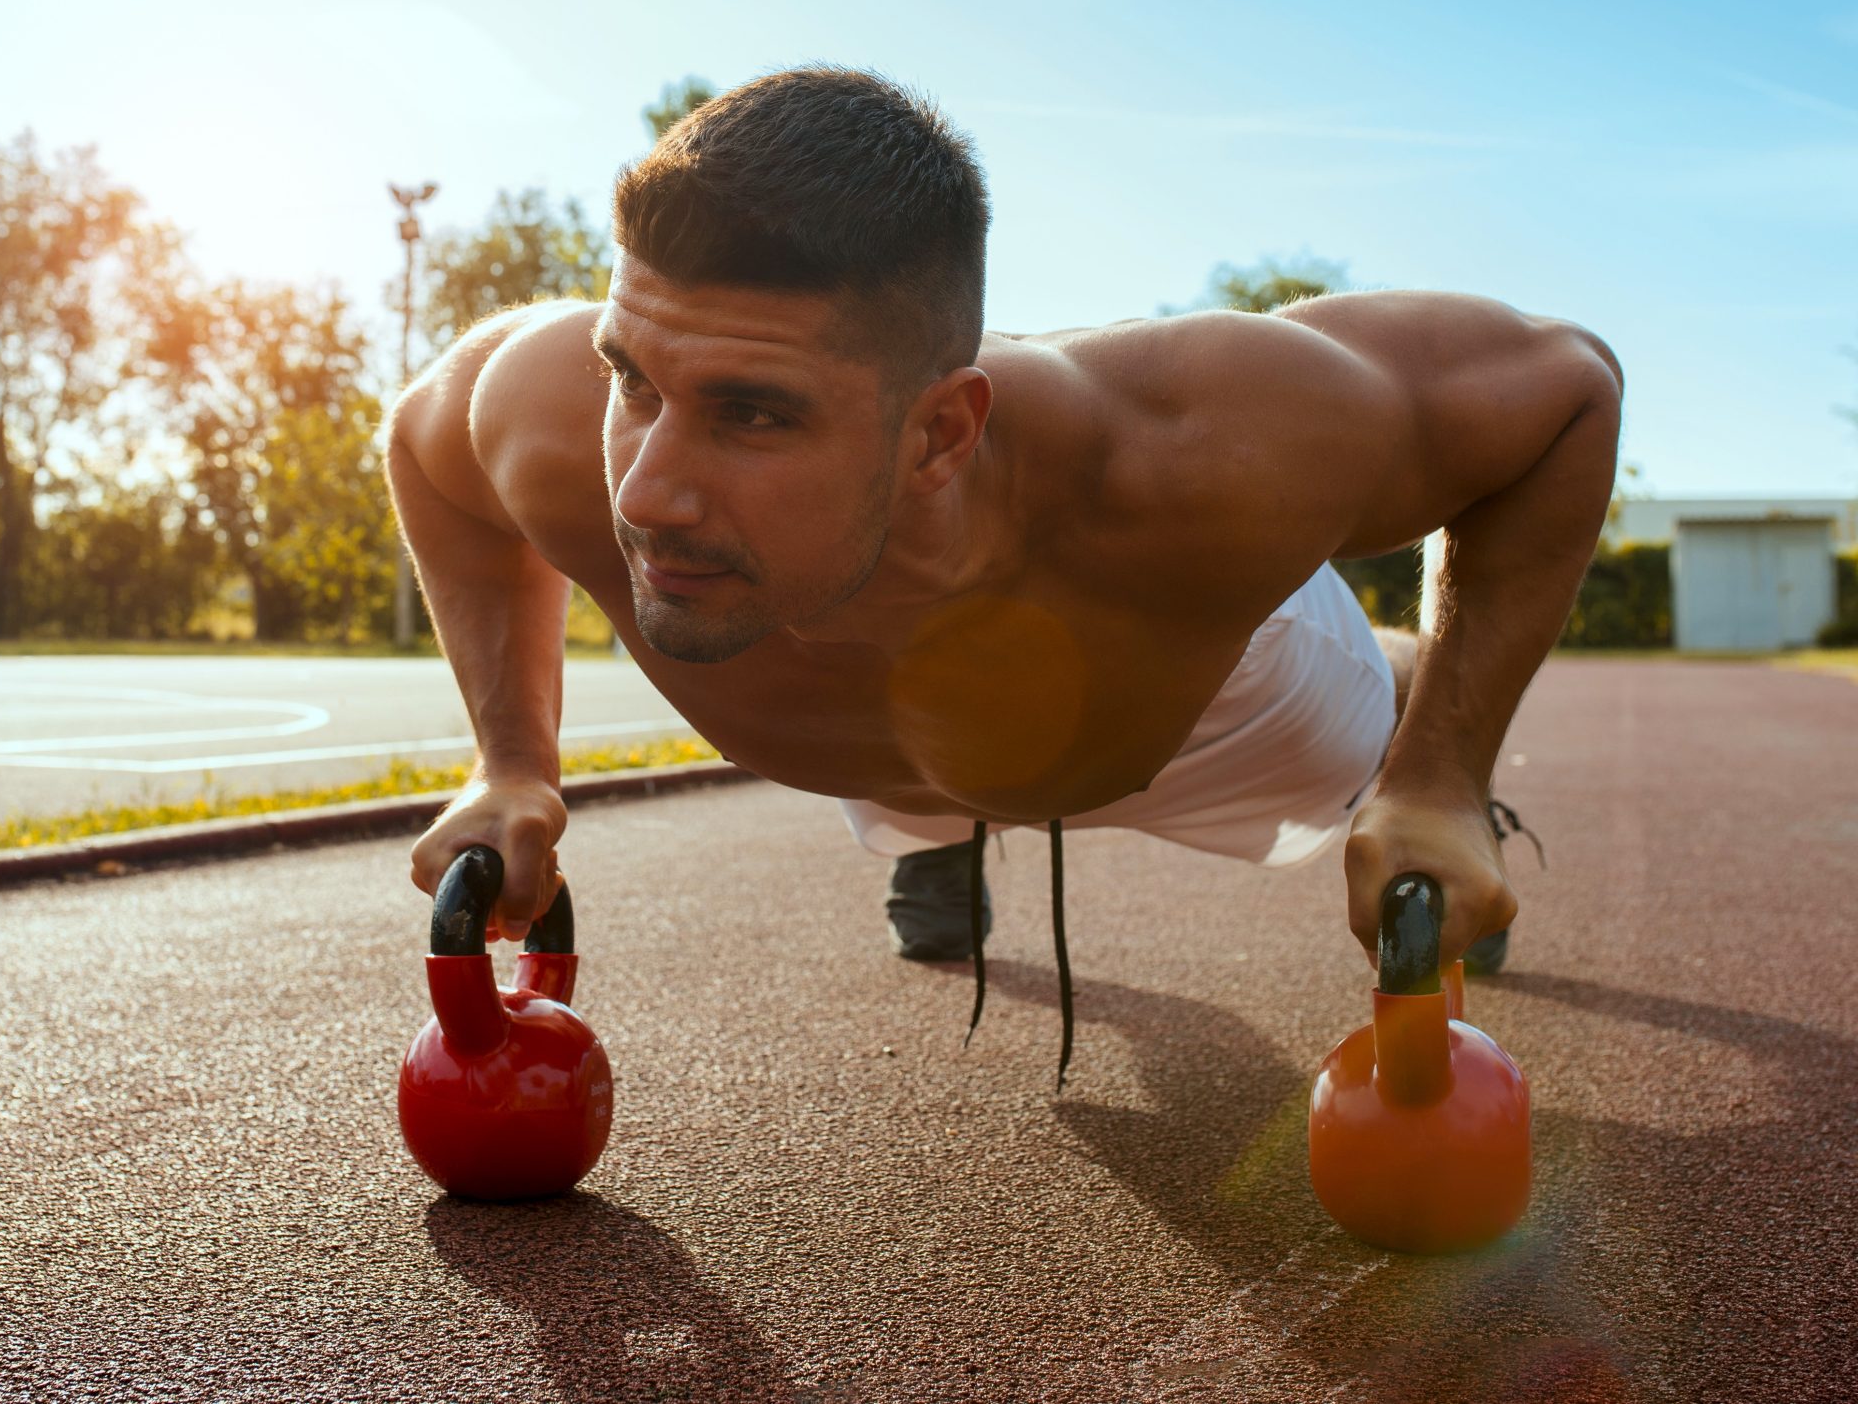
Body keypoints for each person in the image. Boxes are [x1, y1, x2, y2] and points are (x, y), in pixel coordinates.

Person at [383, 68, 1619, 1041]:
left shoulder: (1201, 453)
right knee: (903, 695)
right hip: (882, 693)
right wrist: (510, 759)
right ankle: (942, 827)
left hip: (1210, 706)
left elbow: (1567, 388)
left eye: (753, 412)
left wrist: (1440, 772)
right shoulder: (537, 423)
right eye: (631, 381)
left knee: (1367, 692)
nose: (644, 493)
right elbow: (422, 451)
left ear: (940, 433)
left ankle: (1399, 695)